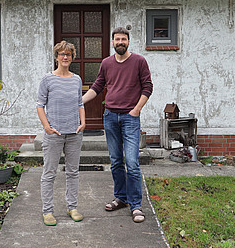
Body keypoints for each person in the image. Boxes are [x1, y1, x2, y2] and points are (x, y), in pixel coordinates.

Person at [82, 27, 153, 223]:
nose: (120, 42)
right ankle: (121, 198)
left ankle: (136, 205)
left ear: (128, 41)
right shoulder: (106, 63)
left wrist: (136, 109)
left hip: (130, 118)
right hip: (110, 117)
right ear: (112, 42)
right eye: (117, 39)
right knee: (115, 161)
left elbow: (148, 87)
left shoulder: (139, 61)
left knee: (132, 162)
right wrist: (80, 101)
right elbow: (97, 86)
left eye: (123, 39)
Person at [36, 41, 86, 226]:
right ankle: (47, 211)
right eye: (62, 54)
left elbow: (80, 103)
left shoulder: (76, 79)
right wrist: (47, 127)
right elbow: (40, 105)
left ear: (72, 58)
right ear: (56, 57)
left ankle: (72, 207)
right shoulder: (47, 79)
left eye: (69, 54)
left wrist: (83, 123)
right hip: (54, 134)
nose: (65, 57)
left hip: (74, 133)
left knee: (73, 172)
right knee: (49, 173)